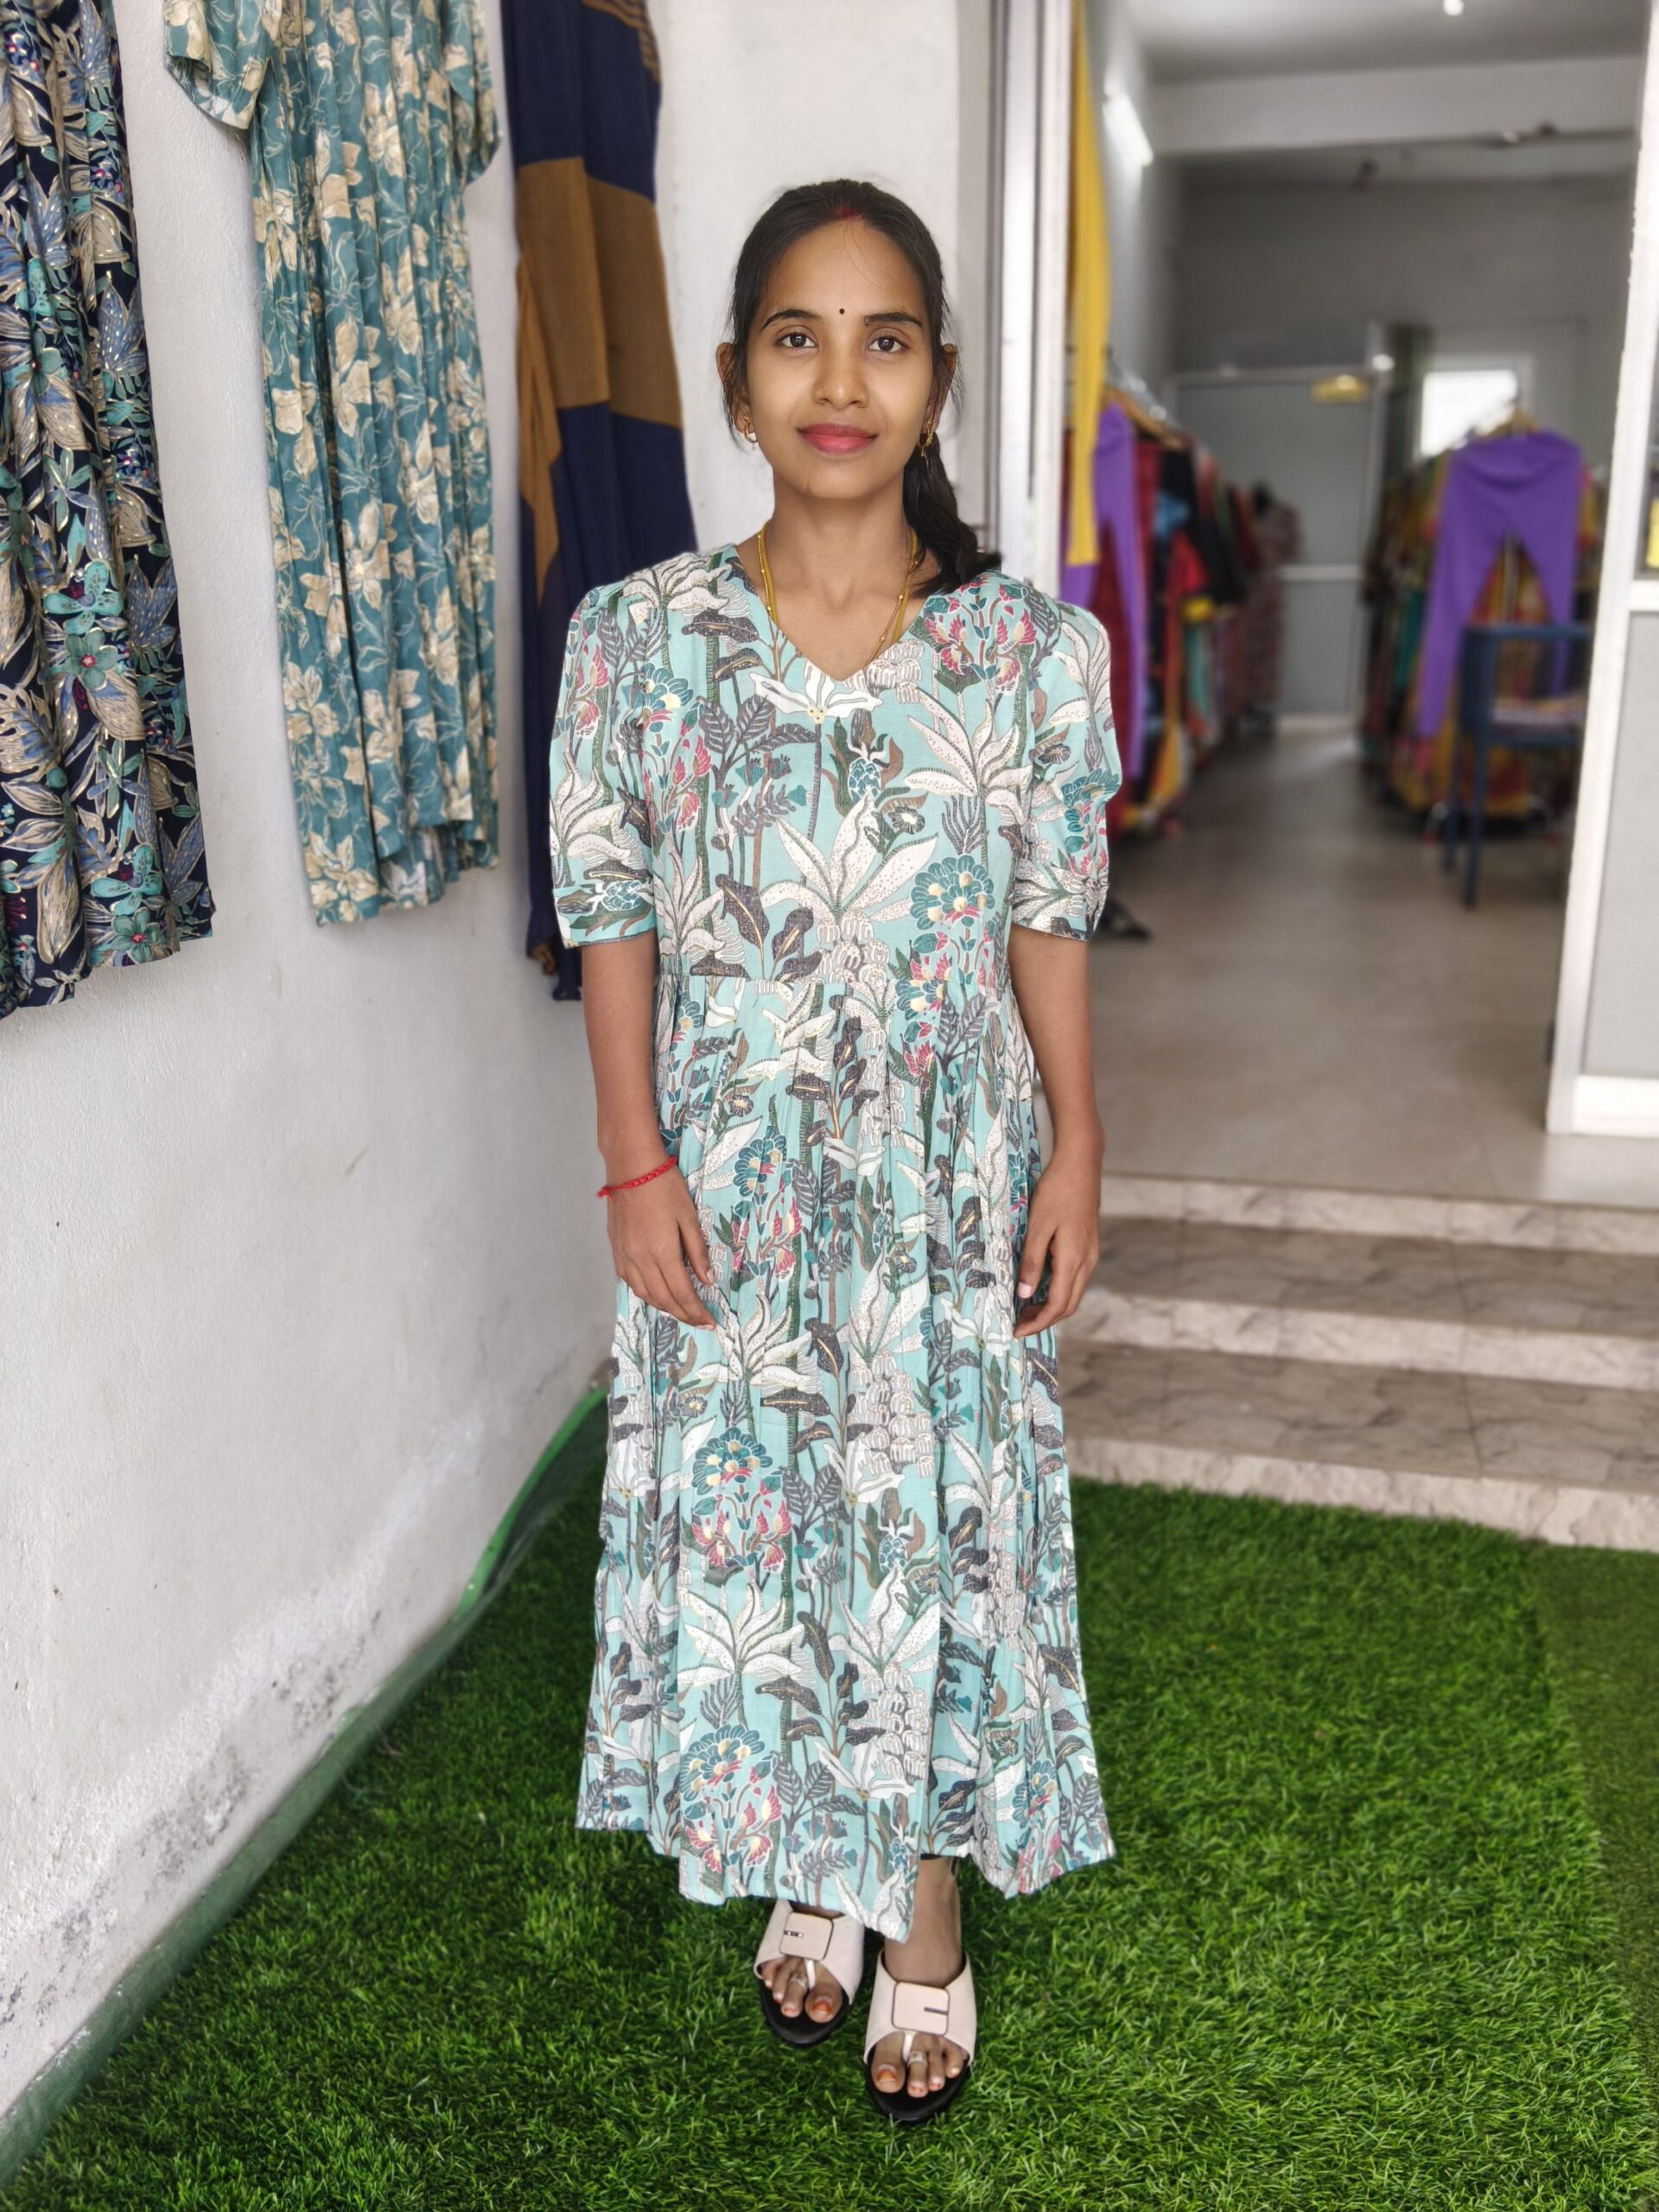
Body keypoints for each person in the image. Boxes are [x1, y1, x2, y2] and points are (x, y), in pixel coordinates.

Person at [547, 177, 1121, 2125]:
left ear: (937, 379)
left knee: (931, 1529)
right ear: (736, 378)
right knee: (773, 1525)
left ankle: (919, 1899)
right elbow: (610, 918)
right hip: (736, 1185)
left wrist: (1077, 1143)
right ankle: (814, 1852)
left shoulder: (1031, 656)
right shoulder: (639, 643)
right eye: (800, 338)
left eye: (885, 341)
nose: (841, 381)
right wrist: (634, 1161)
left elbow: (1049, 919)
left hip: (948, 1187)